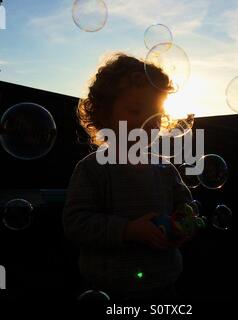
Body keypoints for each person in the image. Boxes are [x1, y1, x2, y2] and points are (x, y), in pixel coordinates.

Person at [63, 53, 192, 302]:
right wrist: (128, 230)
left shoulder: (165, 169)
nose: (148, 122)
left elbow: (185, 206)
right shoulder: (93, 169)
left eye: (157, 114)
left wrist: (185, 223)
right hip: (111, 289)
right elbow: (76, 223)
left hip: (164, 285)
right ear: (104, 115)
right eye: (135, 110)